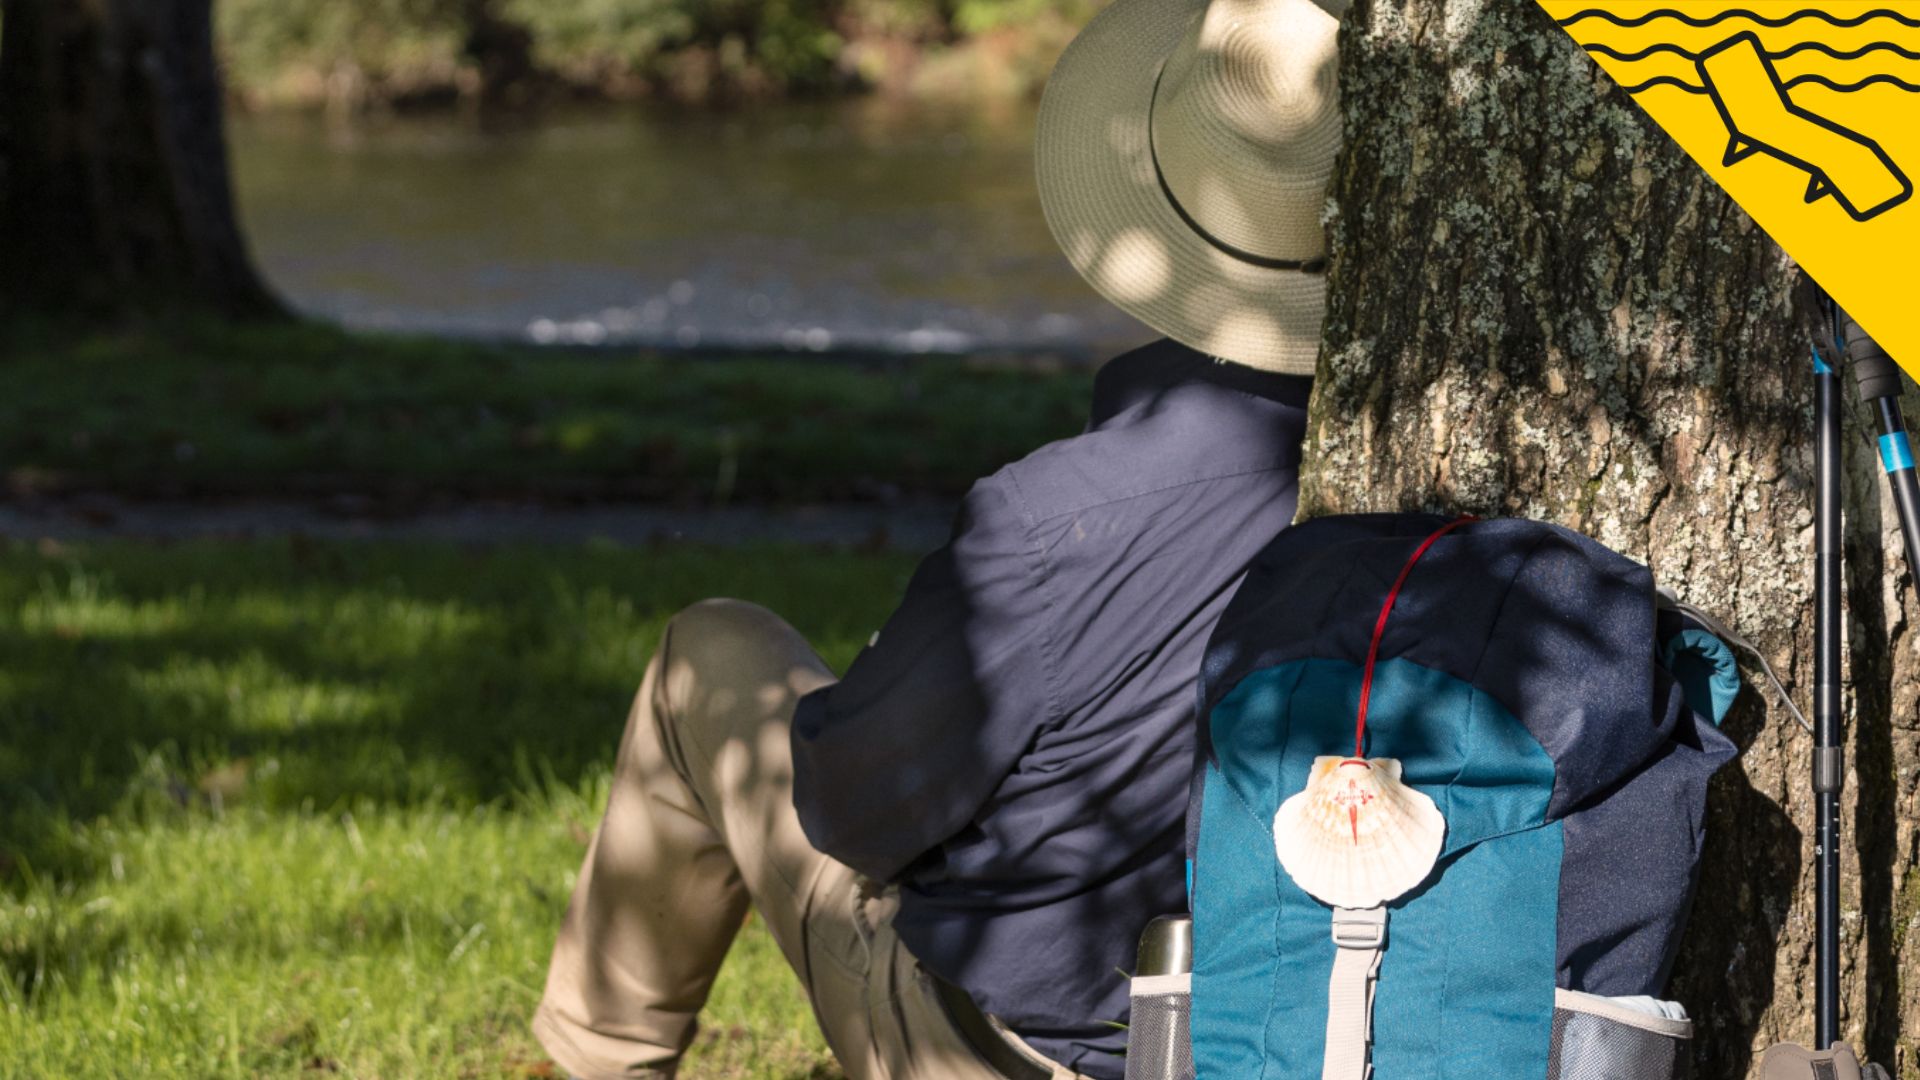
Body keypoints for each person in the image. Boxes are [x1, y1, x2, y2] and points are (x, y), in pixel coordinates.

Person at [530, 0, 1349, 1076]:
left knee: (711, 648)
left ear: (1160, 210)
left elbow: (854, 813)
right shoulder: (1470, 478)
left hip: (1012, 1053)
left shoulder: (1061, 518)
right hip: (1326, 1039)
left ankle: (594, 1060)